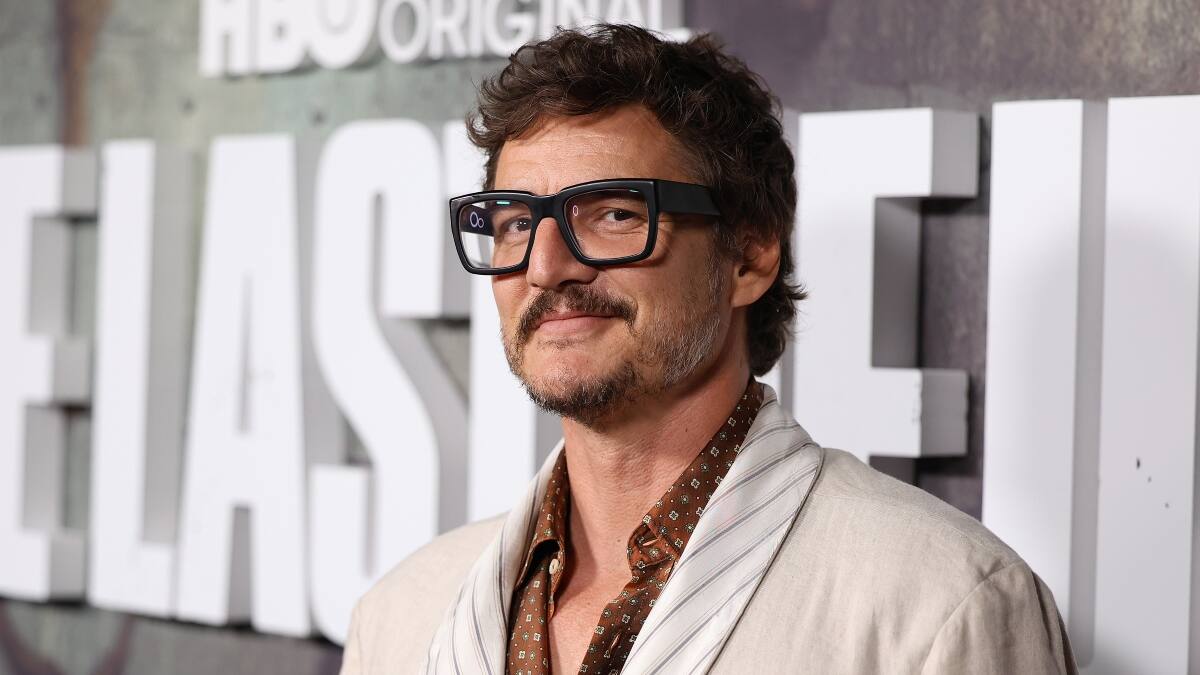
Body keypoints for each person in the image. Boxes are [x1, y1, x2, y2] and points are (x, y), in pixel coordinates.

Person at [339, 24, 1075, 675]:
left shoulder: (942, 606)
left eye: (615, 214)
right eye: (515, 223)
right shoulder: (399, 616)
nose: (546, 267)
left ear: (748, 257)